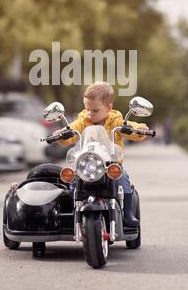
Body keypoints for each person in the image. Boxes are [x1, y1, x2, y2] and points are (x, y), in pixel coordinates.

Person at [54, 82, 149, 227]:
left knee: (124, 183)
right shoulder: (83, 121)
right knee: (72, 184)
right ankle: (72, 212)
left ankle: (128, 214)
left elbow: (129, 126)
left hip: (111, 167)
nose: (90, 114)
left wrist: (139, 129)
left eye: (95, 110)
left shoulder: (116, 121)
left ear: (109, 108)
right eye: (87, 109)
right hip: (85, 165)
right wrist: (61, 134)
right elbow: (72, 130)